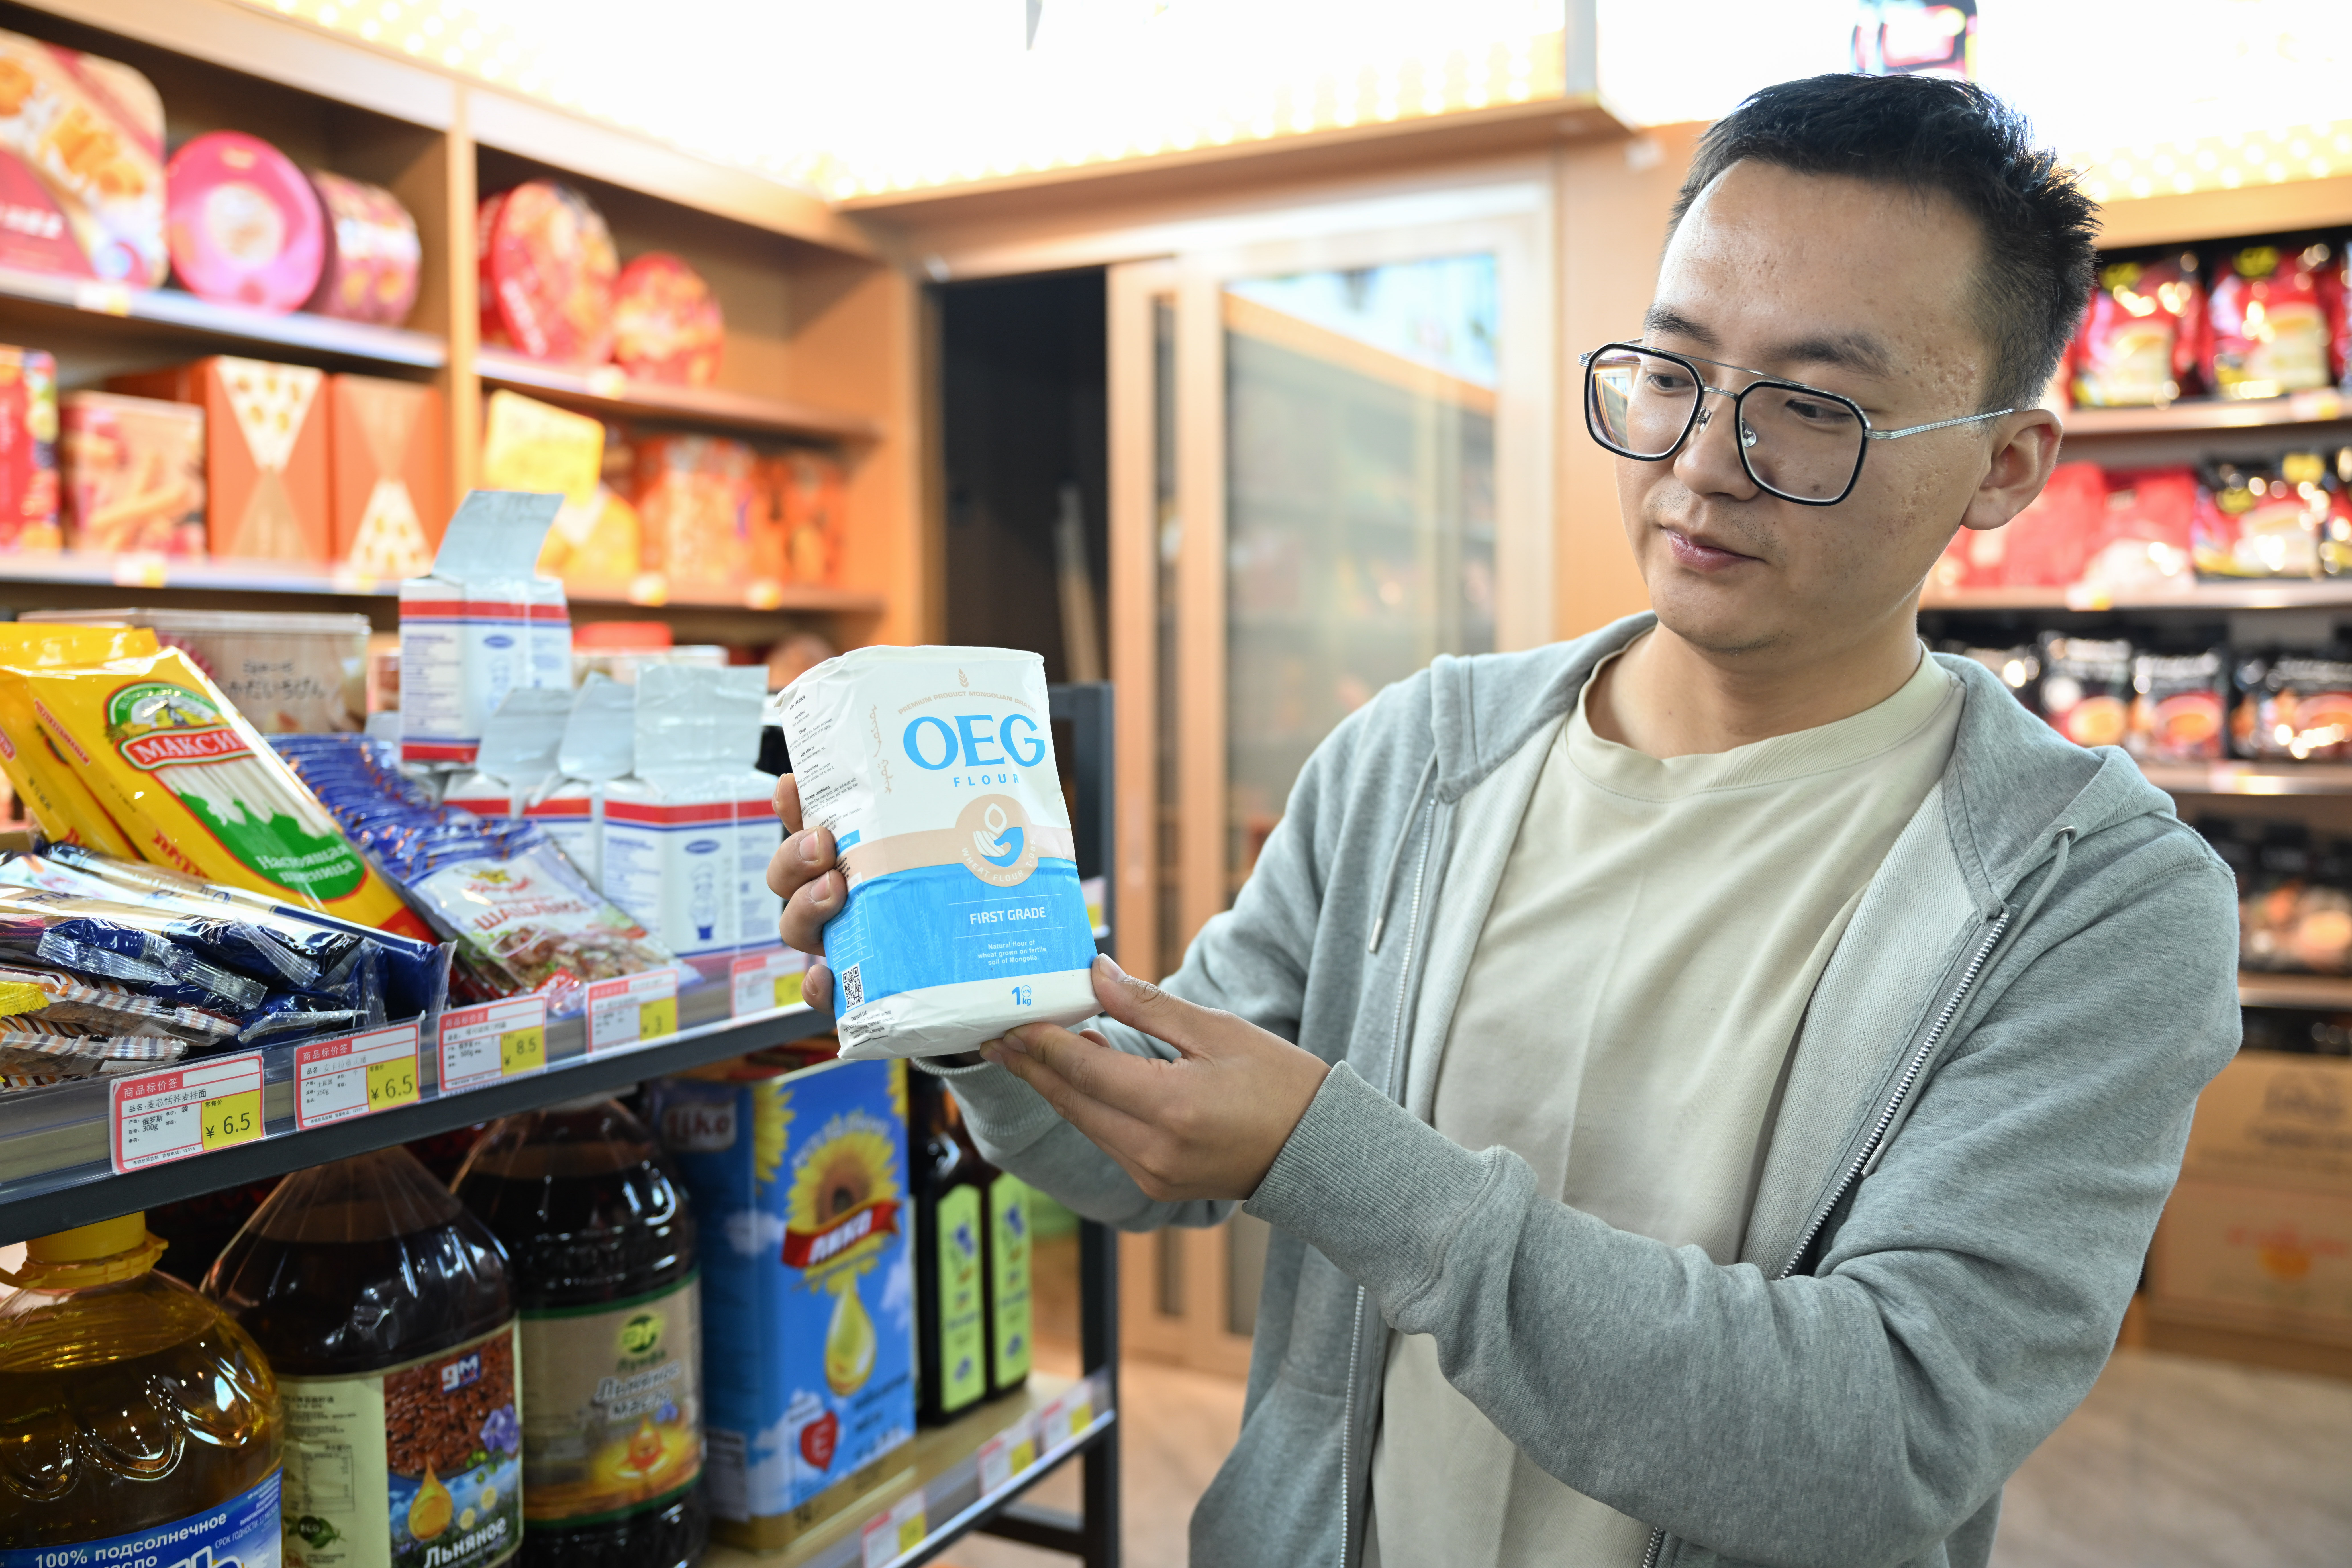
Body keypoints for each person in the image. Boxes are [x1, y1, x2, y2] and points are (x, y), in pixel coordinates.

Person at [766, 73, 2239, 1568]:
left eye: (1813, 408)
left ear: (2007, 463)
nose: (1701, 461)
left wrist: (1337, 1162)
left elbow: (1882, 1439)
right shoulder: (1418, 758)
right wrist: (956, 998)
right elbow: (1139, 1140)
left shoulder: (2093, 900)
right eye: (1670, 374)